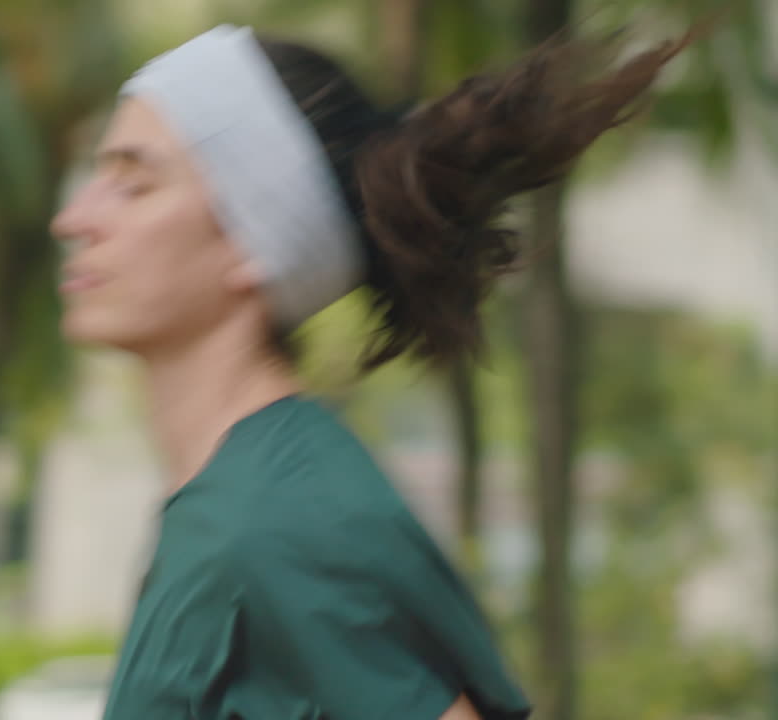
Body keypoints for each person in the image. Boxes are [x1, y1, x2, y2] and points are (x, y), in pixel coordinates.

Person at [51, 22, 695, 720]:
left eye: (135, 183)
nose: (76, 218)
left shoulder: (281, 522)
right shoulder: (235, 502)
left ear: (250, 239)